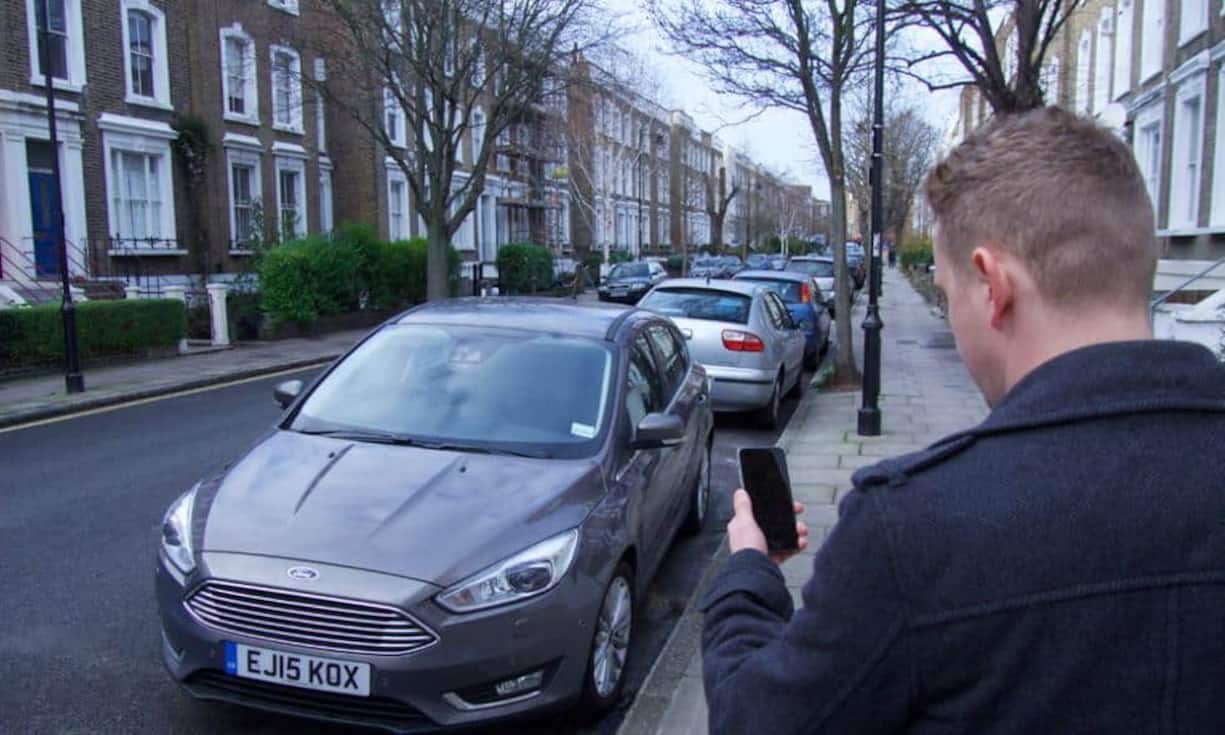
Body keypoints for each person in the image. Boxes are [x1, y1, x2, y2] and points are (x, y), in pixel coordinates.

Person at [701, 107, 1225, 733]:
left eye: (947, 297)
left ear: (991, 286)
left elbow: (753, 720)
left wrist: (748, 573)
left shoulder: (915, 529)